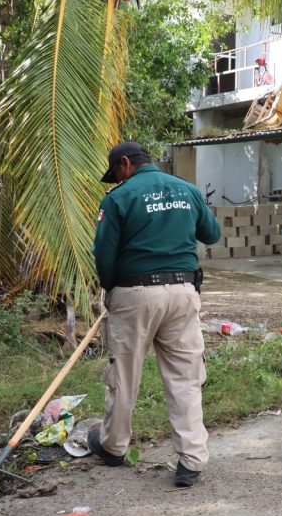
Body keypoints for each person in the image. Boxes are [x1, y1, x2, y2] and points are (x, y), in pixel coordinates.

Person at [88, 141, 221, 488]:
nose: (117, 178)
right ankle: (191, 460)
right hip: (184, 292)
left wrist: (111, 290)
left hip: (134, 293)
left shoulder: (118, 198)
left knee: (124, 374)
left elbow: (103, 255)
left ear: (125, 163)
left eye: (116, 172)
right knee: (185, 376)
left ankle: (113, 446)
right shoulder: (187, 190)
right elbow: (212, 234)